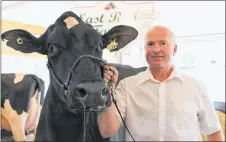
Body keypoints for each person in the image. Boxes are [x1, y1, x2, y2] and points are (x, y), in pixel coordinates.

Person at [97, 25, 224, 141]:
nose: (156, 49)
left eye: (163, 43)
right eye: (150, 44)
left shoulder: (196, 87)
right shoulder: (127, 86)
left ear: (174, 49)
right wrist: (107, 91)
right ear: (145, 49)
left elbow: (213, 132)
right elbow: (107, 131)